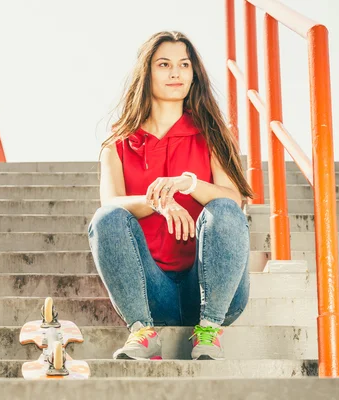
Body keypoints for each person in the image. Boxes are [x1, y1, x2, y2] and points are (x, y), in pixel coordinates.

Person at [87, 31, 254, 361]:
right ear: (146, 72)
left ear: (194, 75)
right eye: (164, 64)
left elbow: (234, 200)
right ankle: (143, 332)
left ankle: (208, 331)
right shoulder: (117, 144)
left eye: (184, 65)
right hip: (151, 293)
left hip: (212, 291)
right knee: (106, 218)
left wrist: (186, 184)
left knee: (224, 207)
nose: (176, 73)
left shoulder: (211, 136)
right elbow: (110, 204)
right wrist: (157, 201)